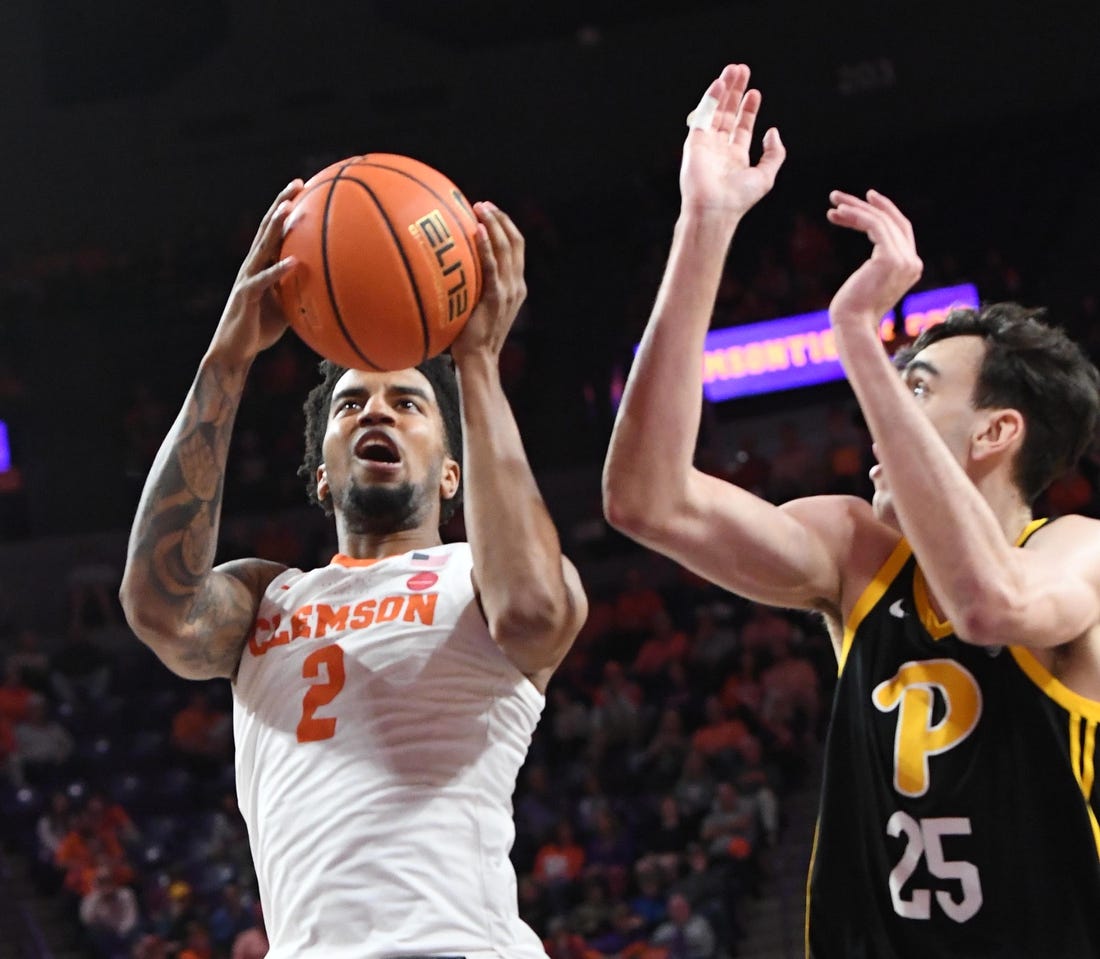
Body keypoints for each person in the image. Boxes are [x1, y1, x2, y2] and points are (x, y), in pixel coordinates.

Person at [602, 62, 1100, 957]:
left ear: (995, 434)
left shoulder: (1079, 551)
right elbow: (645, 498)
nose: (878, 414)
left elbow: (991, 604)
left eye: (918, 388)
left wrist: (857, 342)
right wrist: (705, 224)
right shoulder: (857, 551)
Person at [119, 183, 588, 959]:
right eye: (349, 405)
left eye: (408, 403)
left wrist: (475, 360)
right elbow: (159, 606)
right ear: (320, 475)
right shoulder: (266, 596)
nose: (375, 411)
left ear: (450, 474)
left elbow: (537, 612)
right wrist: (229, 356)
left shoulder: (482, 576)